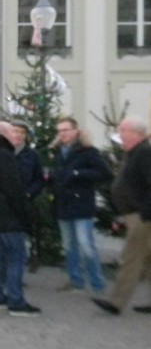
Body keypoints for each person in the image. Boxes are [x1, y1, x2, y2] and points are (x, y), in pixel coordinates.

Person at [0, 121, 40, 316]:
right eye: (12, 131)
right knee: (16, 258)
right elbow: (13, 189)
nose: (16, 135)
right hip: (8, 216)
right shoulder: (5, 156)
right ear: (2, 134)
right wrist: (25, 215)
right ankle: (16, 301)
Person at [92, 116, 151, 315]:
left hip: (141, 216)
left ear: (136, 134)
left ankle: (116, 302)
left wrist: (145, 213)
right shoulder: (134, 153)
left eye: (123, 131)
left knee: (131, 258)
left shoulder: (144, 153)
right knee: (148, 258)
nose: (120, 136)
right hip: (133, 214)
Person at [48, 117, 113, 295]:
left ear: (76, 131)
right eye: (60, 130)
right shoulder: (57, 151)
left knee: (86, 245)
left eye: (66, 130)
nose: (63, 134)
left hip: (82, 204)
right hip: (63, 203)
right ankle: (76, 281)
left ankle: (98, 283)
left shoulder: (87, 151)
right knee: (69, 246)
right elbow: (60, 174)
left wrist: (78, 173)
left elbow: (105, 173)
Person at [11, 120, 45, 269]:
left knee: (22, 236)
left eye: (22, 132)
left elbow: (39, 178)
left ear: (26, 136)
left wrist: (29, 194)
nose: (18, 135)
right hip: (6, 202)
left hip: (25, 201)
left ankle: (21, 267)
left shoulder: (32, 155)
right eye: (15, 131)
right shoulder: (3, 152)